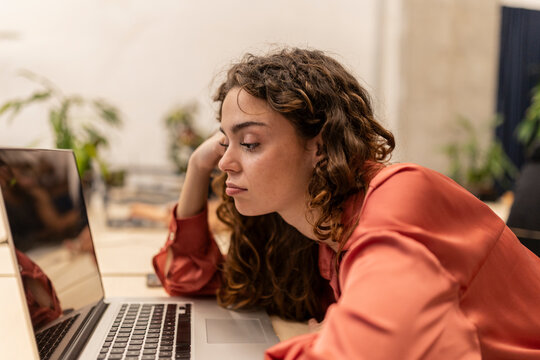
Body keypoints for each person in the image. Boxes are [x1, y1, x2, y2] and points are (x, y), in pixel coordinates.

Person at [153, 48, 540, 359]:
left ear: (318, 146)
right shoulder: (316, 226)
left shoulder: (398, 198)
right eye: (225, 142)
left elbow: (379, 347)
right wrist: (196, 167)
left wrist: (332, 332)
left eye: (250, 143)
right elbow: (194, 279)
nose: (226, 162)